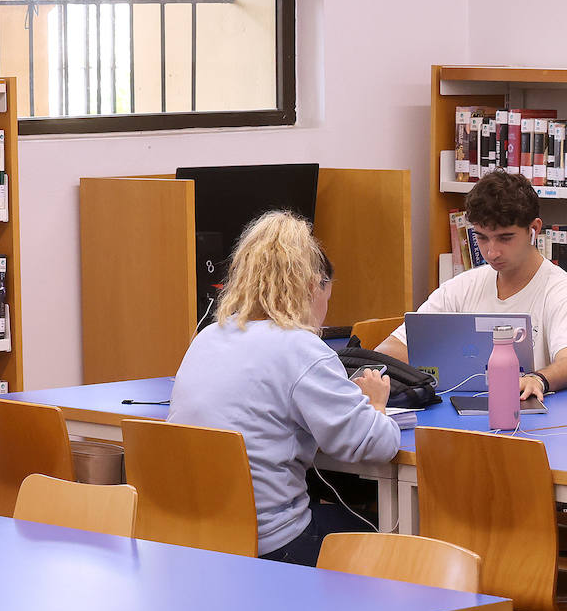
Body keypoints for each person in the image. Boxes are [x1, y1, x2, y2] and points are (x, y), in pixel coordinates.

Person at [169, 210, 401, 567]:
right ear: (313, 284)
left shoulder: (207, 337)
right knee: (395, 543)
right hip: (271, 545)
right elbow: (377, 444)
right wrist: (375, 405)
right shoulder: (299, 348)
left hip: (191, 540)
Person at [378, 170, 567, 401]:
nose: (492, 252)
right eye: (482, 237)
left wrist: (537, 378)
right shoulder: (462, 286)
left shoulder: (562, 291)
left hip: (529, 415)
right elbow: (390, 349)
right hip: (457, 414)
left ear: (535, 229)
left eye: (505, 238)